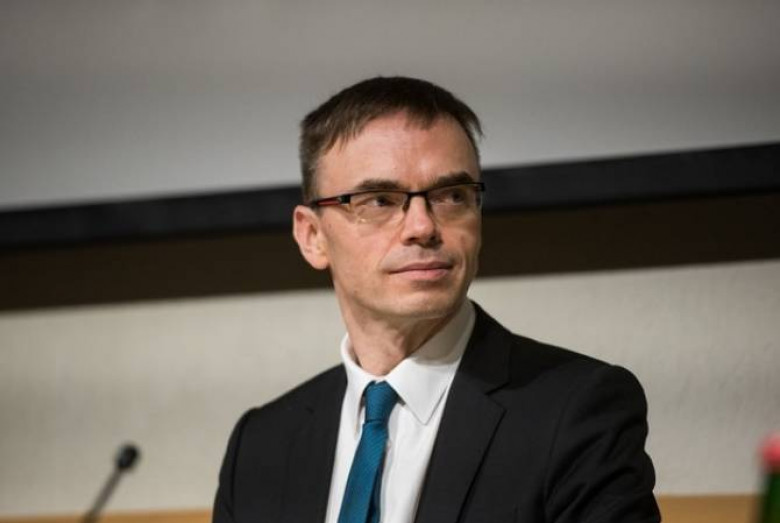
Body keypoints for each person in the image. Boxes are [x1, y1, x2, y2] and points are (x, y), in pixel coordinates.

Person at [213, 76, 660, 523]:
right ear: (312, 236)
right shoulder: (260, 444)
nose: (423, 227)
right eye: (380, 200)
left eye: (451, 196)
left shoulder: (579, 410)